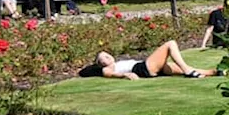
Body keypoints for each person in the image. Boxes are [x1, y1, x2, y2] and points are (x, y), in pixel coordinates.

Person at [77, 41, 220, 80]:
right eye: (104, 58)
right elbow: (110, 74)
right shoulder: (106, 69)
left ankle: (214, 72)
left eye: (107, 54)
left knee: (182, 68)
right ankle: (188, 71)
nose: (108, 57)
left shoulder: (115, 63)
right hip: (143, 68)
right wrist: (125, 75)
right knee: (170, 44)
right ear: (101, 63)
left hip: (146, 67)